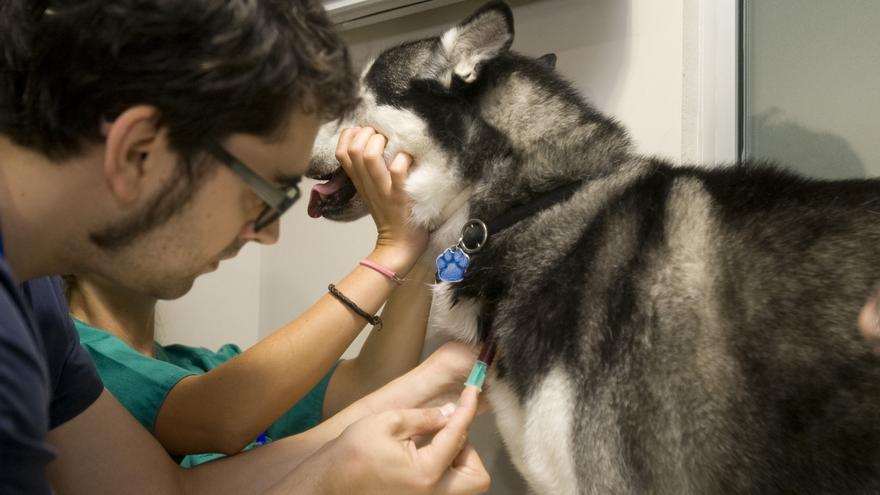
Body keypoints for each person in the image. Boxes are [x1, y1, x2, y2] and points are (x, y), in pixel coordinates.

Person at [0, 1, 491, 493]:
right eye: (262, 193)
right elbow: (218, 419)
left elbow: (171, 490)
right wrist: (328, 485)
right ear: (137, 152)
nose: (267, 233)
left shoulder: (37, 309)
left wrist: (437, 376)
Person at [64, 140, 436, 464]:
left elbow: (368, 386)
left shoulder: (198, 369)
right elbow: (219, 418)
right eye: (247, 192)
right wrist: (390, 251)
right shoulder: (69, 356)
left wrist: (421, 236)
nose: (268, 234)